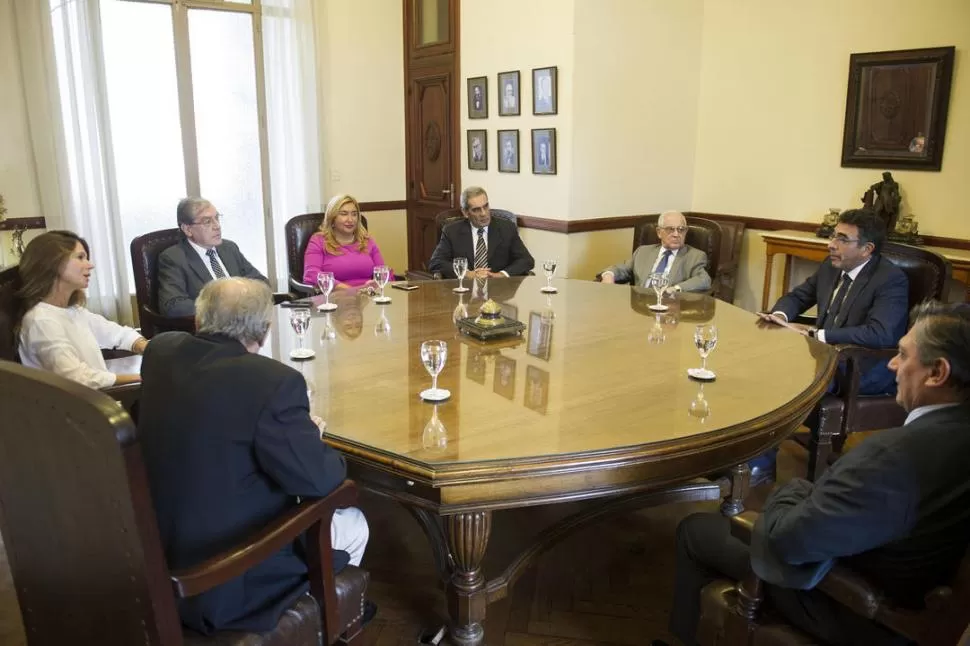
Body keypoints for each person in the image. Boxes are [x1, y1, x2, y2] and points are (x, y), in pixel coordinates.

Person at [664, 300, 970, 646]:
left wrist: (793, 489)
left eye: (903, 354)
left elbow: (789, 542)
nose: (892, 364)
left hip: (852, 608)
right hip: (903, 584)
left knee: (696, 530)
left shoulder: (896, 457)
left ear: (937, 373)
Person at [138, 277, 371, 634]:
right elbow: (322, 482)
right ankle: (332, 618)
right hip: (222, 580)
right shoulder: (274, 382)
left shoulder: (161, 351)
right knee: (353, 521)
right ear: (263, 333)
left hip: (155, 551)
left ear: (199, 321)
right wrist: (309, 436)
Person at [754, 208, 908, 483]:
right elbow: (798, 296)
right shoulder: (831, 266)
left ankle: (759, 464)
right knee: (760, 360)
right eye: (833, 236)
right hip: (823, 356)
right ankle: (744, 454)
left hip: (864, 366)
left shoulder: (890, 279)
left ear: (866, 249)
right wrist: (779, 317)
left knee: (784, 378)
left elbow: (881, 334)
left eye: (842, 239)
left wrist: (817, 334)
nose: (831, 244)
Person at [16, 230, 146, 388]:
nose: (90, 265)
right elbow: (76, 379)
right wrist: (139, 378)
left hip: (97, 402)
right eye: (80, 257)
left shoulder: (73, 311)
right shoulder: (41, 321)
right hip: (74, 409)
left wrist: (146, 347)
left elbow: (117, 334)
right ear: (53, 263)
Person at [157, 197, 267, 317]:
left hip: (245, 321)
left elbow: (260, 282)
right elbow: (174, 305)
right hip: (208, 330)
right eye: (207, 221)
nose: (217, 226)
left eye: (217, 218)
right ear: (188, 229)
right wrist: (223, 308)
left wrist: (243, 300)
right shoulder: (173, 258)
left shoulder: (229, 248)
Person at [428, 186, 534, 279]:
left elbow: (526, 260)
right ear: (465, 212)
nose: (483, 213)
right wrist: (467, 274)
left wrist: (501, 275)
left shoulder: (506, 228)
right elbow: (436, 262)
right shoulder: (452, 231)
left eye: (486, 206)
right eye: (476, 210)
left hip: (498, 292)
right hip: (464, 292)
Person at [599, 211, 711, 293]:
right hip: (640, 307)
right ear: (659, 232)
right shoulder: (643, 252)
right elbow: (622, 268)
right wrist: (609, 275)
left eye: (681, 229)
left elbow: (703, 279)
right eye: (670, 229)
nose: (676, 234)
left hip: (671, 309)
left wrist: (676, 289)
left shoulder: (695, 256)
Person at [302, 194, 390, 290]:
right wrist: (347, 289)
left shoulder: (367, 241)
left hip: (368, 297)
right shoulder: (318, 240)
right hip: (335, 299)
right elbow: (311, 274)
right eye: (344, 214)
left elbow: (383, 271)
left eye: (354, 214)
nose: (350, 219)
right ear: (332, 217)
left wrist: (376, 283)